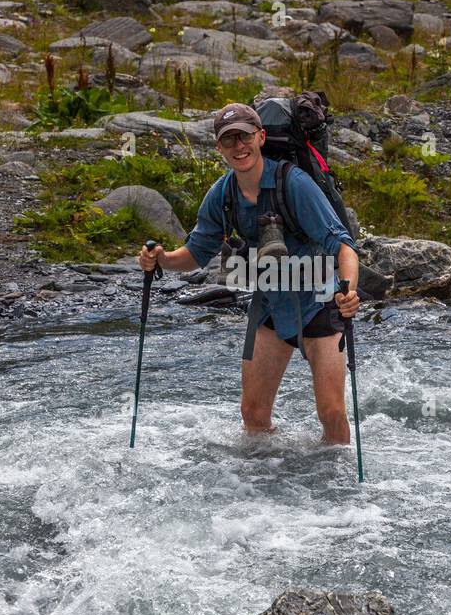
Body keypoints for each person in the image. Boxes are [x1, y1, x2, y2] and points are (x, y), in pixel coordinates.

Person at [138, 102, 360, 443]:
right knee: (253, 414)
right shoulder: (222, 194)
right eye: (229, 140)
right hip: (271, 305)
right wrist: (161, 259)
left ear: (261, 137)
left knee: (331, 412)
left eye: (245, 137)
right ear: (219, 148)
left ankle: (338, 485)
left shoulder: (294, 184)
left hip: (320, 303)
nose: (239, 146)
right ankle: (262, 483)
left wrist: (349, 291)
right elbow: (195, 254)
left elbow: (343, 246)